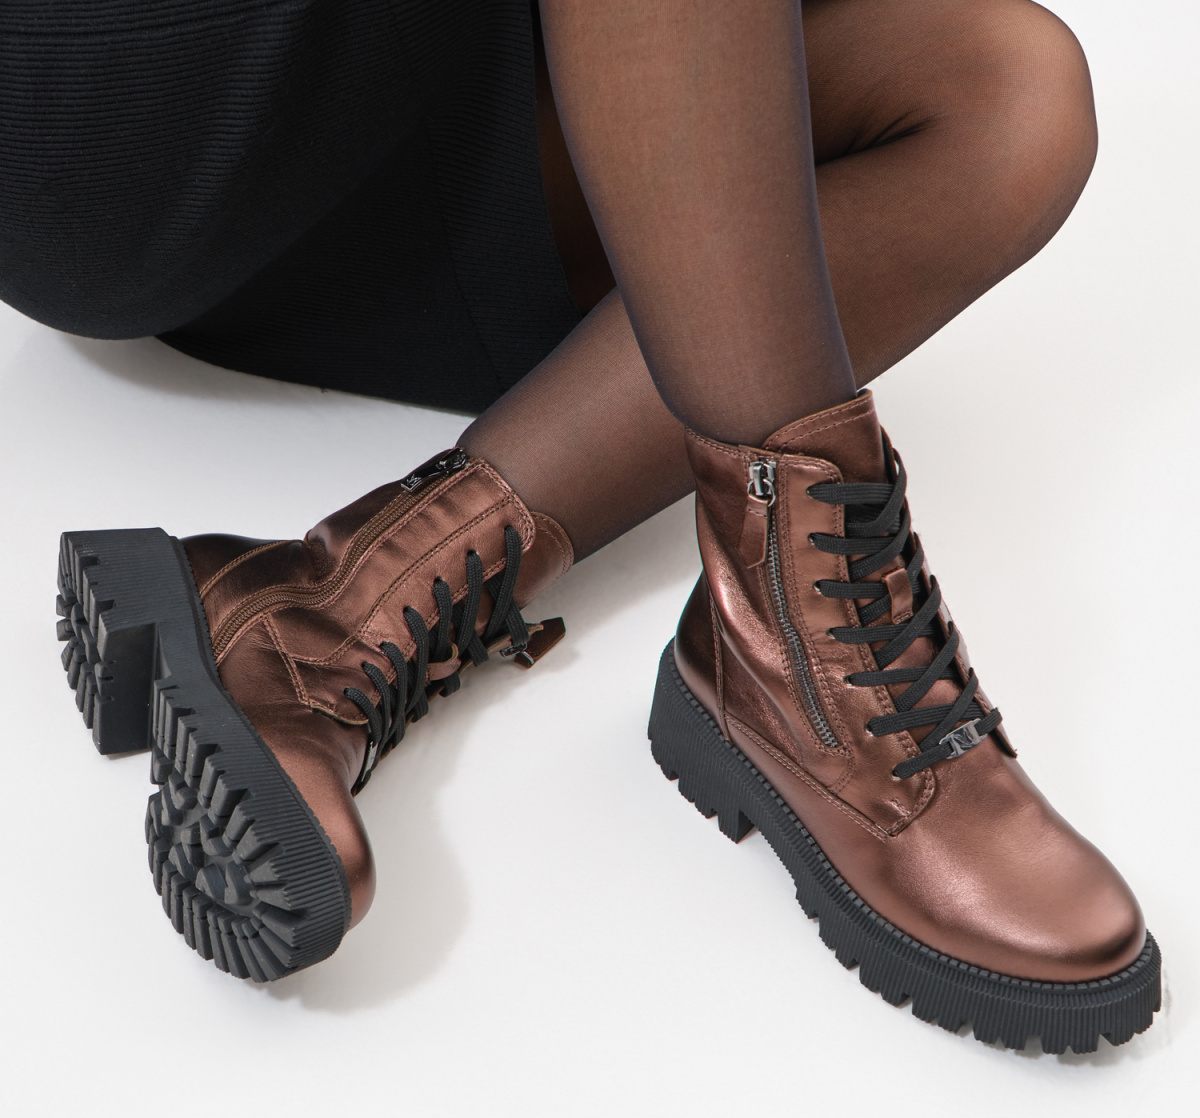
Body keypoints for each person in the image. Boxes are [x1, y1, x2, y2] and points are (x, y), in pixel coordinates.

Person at [10, 0, 1158, 1051]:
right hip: (137, 93)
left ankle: (336, 607)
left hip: (387, 120)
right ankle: (795, 637)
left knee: (1008, 96)